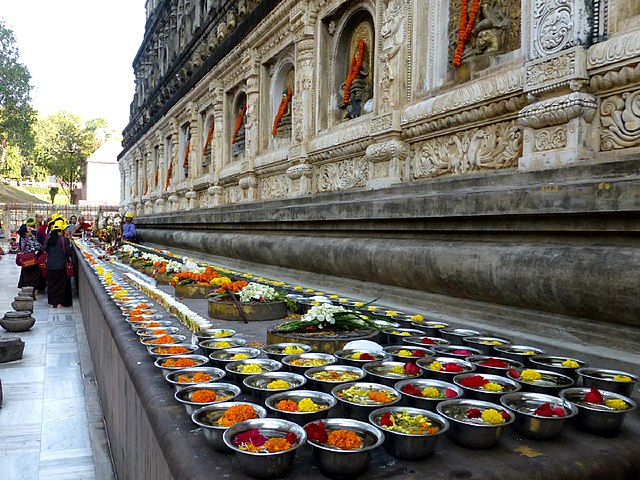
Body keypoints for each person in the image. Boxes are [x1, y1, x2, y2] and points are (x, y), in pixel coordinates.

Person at [43, 218, 73, 308]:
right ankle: (60, 303)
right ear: (62, 230)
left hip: (50, 265)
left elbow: (44, 249)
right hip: (61, 265)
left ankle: (52, 303)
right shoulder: (64, 240)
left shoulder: (49, 239)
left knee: (51, 284)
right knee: (61, 284)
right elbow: (68, 252)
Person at [17, 222, 42, 291]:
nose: (30, 229)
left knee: (26, 275)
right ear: (26, 232)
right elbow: (38, 247)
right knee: (33, 276)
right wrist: (34, 238)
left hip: (24, 260)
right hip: (31, 260)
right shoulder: (29, 239)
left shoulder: (21, 239)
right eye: (28, 228)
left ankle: (26, 289)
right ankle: (32, 291)